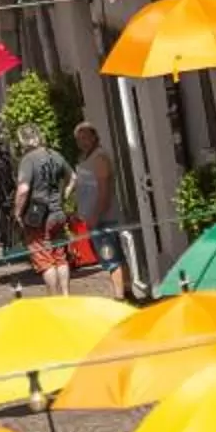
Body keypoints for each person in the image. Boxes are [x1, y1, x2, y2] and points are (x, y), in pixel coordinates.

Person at [71, 121, 132, 300]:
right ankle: (126, 291)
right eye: (79, 139)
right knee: (113, 257)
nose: (82, 142)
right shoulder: (87, 157)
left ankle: (119, 296)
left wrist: (96, 216)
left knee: (111, 258)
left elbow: (104, 191)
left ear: (94, 137)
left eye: (85, 137)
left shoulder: (99, 158)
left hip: (103, 219)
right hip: (95, 217)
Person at [13, 131, 76, 292]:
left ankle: (54, 300)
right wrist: (64, 196)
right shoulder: (55, 155)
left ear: (24, 142)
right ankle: (66, 297)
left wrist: (17, 212)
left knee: (45, 259)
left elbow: (23, 189)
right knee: (60, 257)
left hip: (38, 217)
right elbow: (73, 178)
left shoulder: (28, 160)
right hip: (58, 213)